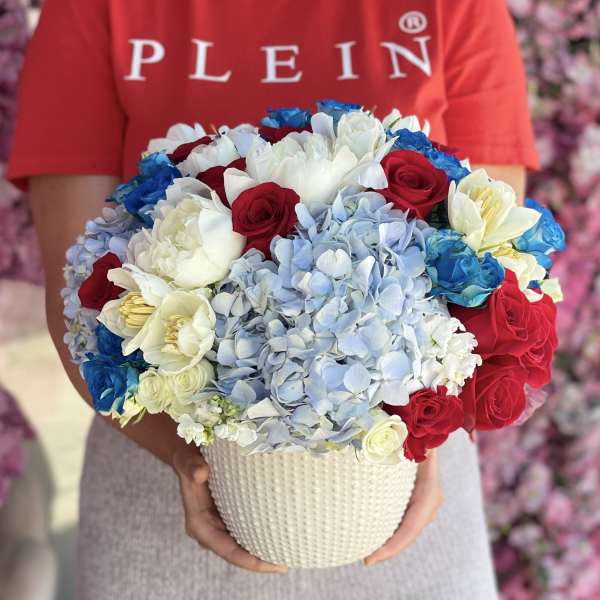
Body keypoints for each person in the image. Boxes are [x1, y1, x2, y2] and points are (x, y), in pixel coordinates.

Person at [7, 1, 539, 598]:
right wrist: (192, 463)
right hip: (162, 484)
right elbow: (80, 293)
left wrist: (419, 434)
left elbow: (492, 262)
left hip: (408, 482)